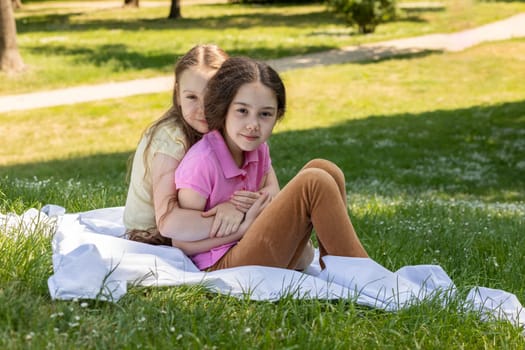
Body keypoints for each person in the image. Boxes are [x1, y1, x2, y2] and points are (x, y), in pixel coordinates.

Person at [171, 57, 369, 272]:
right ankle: (362, 274)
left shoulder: (258, 149)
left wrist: (254, 209)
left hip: (250, 244)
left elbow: (273, 192)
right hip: (221, 262)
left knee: (324, 168)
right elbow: (181, 244)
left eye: (265, 114)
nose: (253, 125)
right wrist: (243, 228)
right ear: (224, 109)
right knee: (314, 181)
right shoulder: (202, 162)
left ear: (277, 116)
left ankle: (340, 267)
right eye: (242, 111)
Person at [124, 44, 244, 245]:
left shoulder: (228, 128)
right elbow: (166, 220)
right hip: (153, 237)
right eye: (191, 97)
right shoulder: (171, 139)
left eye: (212, 96)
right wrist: (237, 219)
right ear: (178, 94)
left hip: (195, 223)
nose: (203, 109)